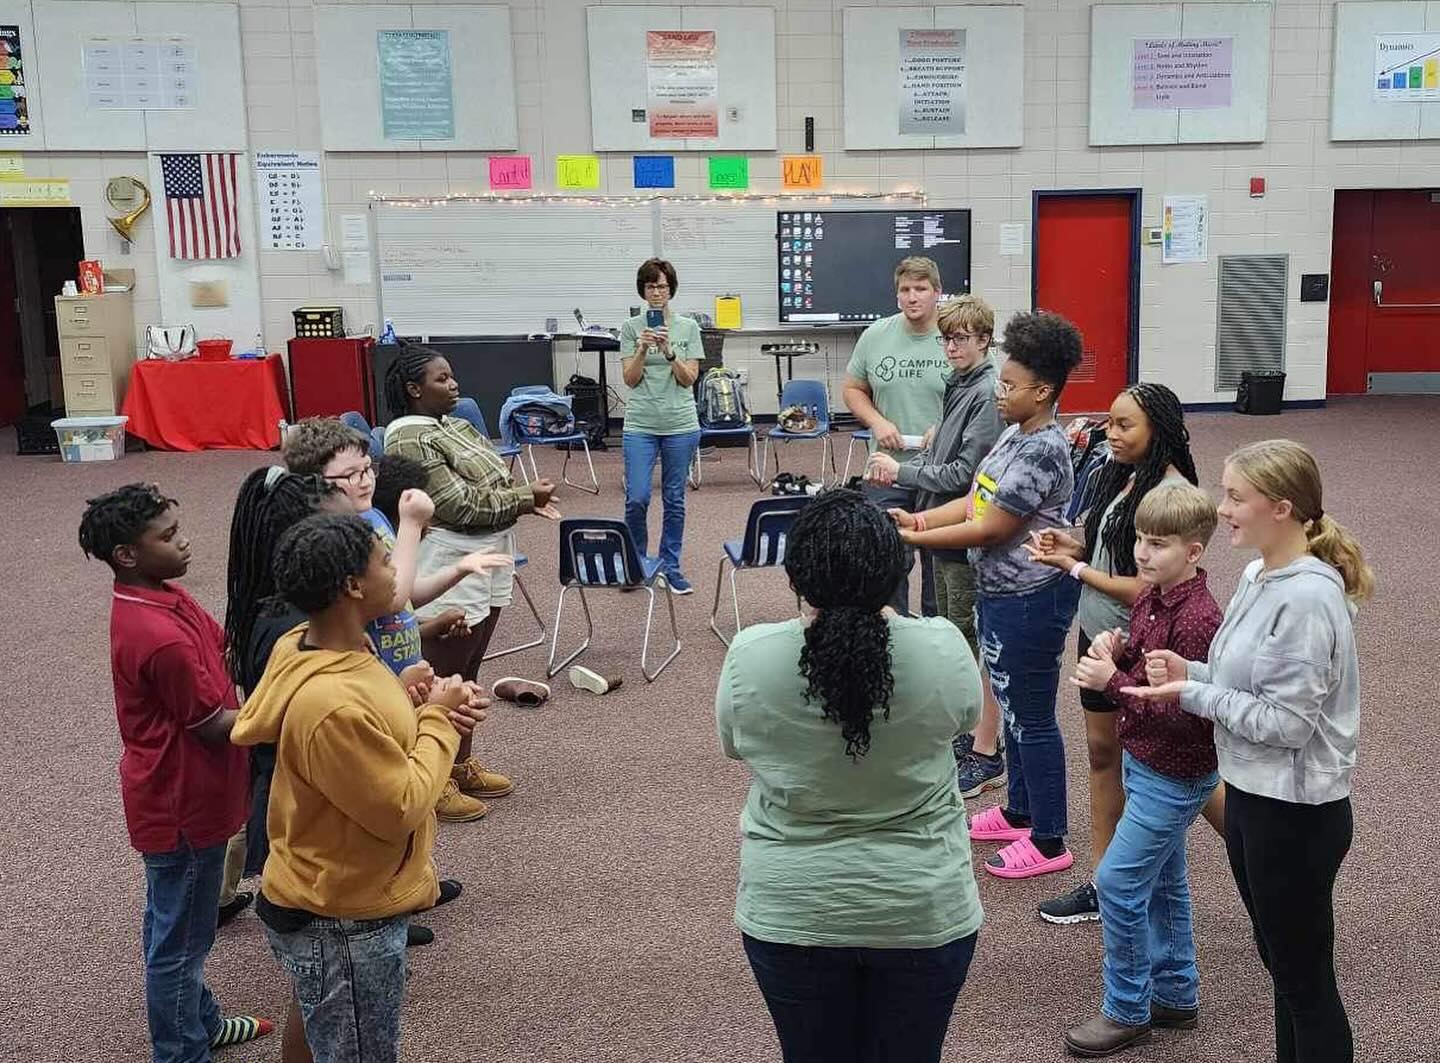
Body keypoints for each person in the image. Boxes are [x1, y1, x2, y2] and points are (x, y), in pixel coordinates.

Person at [1123, 440, 1371, 1063]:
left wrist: (1191, 693)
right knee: (1284, 971)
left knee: (1305, 986)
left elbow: (1286, 724)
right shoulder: (1260, 574)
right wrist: (1193, 670)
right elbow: (1247, 682)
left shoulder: (1307, 598)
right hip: (1254, 799)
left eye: (1235, 497)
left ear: (1281, 508)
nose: (1221, 509)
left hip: (1295, 814)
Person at [717, 490, 984, 1063]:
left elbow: (734, 745)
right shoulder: (943, 646)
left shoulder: (750, 655)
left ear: (797, 577)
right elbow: (966, 721)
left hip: (793, 907)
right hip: (921, 903)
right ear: (895, 574)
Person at [232, 513, 488, 1063]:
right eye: (385, 561)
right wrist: (439, 722)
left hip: (328, 892)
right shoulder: (331, 704)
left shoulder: (325, 647)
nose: (396, 571)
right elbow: (399, 806)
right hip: (344, 916)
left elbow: (365, 740)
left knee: (320, 1021)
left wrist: (407, 697)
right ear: (352, 586)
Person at [79, 483, 273, 1063]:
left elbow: (222, 647)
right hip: (182, 804)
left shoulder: (167, 595)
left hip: (186, 795)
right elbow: (214, 726)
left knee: (176, 927)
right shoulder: (158, 636)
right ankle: (180, 1051)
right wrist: (290, 712)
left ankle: (200, 1022)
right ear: (126, 555)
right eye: (167, 537)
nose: (184, 543)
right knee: (181, 943)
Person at [891, 311, 1084, 880]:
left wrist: (910, 538)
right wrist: (921, 522)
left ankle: (1049, 838)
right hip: (1000, 593)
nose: (999, 393)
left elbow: (992, 528)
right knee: (1014, 709)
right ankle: (1020, 811)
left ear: (1042, 391)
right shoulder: (1013, 434)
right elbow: (976, 500)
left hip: (1031, 598)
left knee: (1033, 718)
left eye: (1009, 385)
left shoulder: (1042, 449)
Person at [1025, 383, 1224, 926]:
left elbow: (1146, 586)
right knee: (1103, 754)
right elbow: (1114, 550)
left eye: (1123, 425)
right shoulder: (1125, 474)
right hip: (1100, 634)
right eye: (1109, 423)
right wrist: (1072, 546)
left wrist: (1075, 570)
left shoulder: (1171, 492)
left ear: (1157, 429)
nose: (1109, 434)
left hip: (1140, 641)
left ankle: (1260, 851)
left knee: (1178, 765)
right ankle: (1101, 881)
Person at [1061, 482, 1224, 1058]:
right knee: (1163, 881)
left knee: (1119, 883)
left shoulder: (1199, 619)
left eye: (1158, 544)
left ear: (1193, 551)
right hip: (1147, 761)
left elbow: (1188, 713)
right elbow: (1148, 668)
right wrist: (1120, 651)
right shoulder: (1153, 595)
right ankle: (1176, 993)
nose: (1142, 553)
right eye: (1139, 540)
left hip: (1175, 772)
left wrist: (1113, 683)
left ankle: (1126, 1008)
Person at [286, 416, 516, 822]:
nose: (365, 481)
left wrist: (458, 569)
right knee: (393, 774)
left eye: (367, 469)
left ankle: (439, 786)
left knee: (417, 740)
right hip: (370, 677)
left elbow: (406, 592)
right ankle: (430, 795)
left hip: (402, 664)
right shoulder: (334, 538)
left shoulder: (374, 518)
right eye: (350, 475)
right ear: (315, 483)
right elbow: (393, 599)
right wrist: (410, 524)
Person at [866, 293, 1004, 798]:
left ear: (984, 340)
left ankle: (987, 751)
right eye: (946, 339)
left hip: (961, 535)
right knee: (953, 635)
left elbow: (966, 475)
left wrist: (901, 472)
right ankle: (968, 735)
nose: (951, 347)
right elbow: (946, 456)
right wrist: (918, 459)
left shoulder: (984, 392)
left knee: (968, 644)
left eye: (961, 338)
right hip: (941, 529)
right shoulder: (958, 383)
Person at [217, 468, 347, 932]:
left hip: (300, 772)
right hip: (304, 777)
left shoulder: (287, 610)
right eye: (344, 535)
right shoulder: (293, 628)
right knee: (318, 894)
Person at [842, 255, 952, 615]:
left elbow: (986, 394)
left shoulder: (955, 338)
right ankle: (894, 638)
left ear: (937, 292)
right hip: (886, 471)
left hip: (942, 473)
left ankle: (938, 640)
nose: (912, 297)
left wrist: (946, 427)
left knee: (939, 566)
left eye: (921, 289)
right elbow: (853, 389)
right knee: (887, 564)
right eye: (905, 289)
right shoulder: (876, 335)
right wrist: (876, 421)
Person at [619, 257, 703, 593]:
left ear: (671, 290)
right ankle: (636, 564)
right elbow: (629, 379)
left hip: (680, 423)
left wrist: (668, 351)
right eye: (651, 286)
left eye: (663, 287)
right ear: (643, 290)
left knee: (674, 499)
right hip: (640, 424)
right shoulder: (630, 328)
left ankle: (671, 566)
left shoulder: (688, 327)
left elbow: (689, 378)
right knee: (637, 497)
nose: (657, 293)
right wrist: (642, 348)